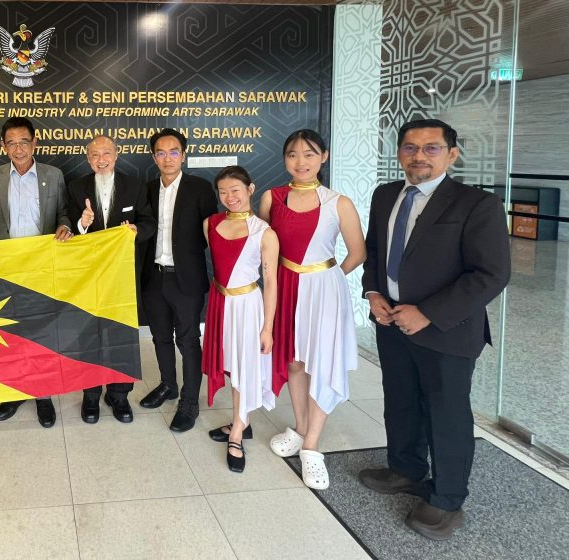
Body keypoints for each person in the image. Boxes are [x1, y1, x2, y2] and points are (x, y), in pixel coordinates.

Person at [360, 119, 510, 540]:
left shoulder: (476, 204)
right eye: (410, 148)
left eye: (430, 148)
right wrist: (373, 294)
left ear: (452, 154)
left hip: (447, 330)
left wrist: (426, 312)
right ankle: (405, 469)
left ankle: (447, 500)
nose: (419, 156)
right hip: (390, 322)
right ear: (399, 153)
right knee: (401, 400)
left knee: (447, 414)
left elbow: (491, 274)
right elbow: (374, 250)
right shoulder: (386, 194)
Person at [258, 129, 366, 490]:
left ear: (324, 156)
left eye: (308, 153)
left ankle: (312, 447)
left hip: (323, 291)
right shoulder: (272, 199)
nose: (300, 161)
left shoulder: (339, 203)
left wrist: (328, 281)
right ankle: (301, 427)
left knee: (321, 361)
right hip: (285, 286)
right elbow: (263, 251)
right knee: (294, 362)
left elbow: (357, 253)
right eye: (292, 154)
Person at [0, 116, 72, 427]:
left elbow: (63, 214)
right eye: (11, 143)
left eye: (24, 142)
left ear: (35, 143)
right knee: (10, 329)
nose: (18, 148)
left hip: (42, 263)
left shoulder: (53, 175)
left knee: (41, 329)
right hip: (5, 263)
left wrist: (65, 226)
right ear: (4, 147)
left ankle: (42, 393)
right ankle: (15, 389)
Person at [66, 135, 155, 424]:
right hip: (88, 278)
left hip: (123, 278)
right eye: (94, 155)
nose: (101, 159)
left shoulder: (135, 184)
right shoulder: (76, 187)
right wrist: (82, 224)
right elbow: (67, 224)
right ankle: (90, 397)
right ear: (87, 158)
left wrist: (134, 232)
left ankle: (119, 395)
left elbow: (148, 223)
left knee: (122, 337)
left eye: (106, 153)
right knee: (88, 336)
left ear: (116, 155)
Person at [139, 128, 217, 432]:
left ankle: (189, 401)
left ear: (183, 155)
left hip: (186, 279)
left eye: (174, 152)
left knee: (187, 341)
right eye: (161, 152)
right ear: (153, 157)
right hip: (153, 276)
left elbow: (212, 235)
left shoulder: (200, 188)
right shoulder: (145, 189)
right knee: (160, 337)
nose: (167, 158)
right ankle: (168, 386)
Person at [202, 166, 279, 472]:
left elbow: (271, 282)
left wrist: (268, 327)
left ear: (250, 189)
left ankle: (237, 432)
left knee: (245, 365)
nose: (229, 197)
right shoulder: (211, 223)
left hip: (248, 306)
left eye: (235, 190)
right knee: (231, 363)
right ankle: (240, 419)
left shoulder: (265, 232)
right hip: (221, 303)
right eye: (222, 192)